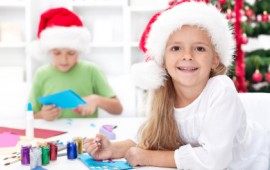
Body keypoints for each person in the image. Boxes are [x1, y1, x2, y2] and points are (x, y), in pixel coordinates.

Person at [83, 1, 269, 169]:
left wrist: (147, 157)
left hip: (255, 161)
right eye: (176, 48)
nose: (187, 55)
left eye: (199, 48)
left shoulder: (221, 88)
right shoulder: (164, 95)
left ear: (215, 59)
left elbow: (214, 161)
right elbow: (147, 139)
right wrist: (114, 149)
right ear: (163, 60)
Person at [28, 7, 123, 121]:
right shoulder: (41, 73)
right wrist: (43, 115)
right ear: (48, 50)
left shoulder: (91, 70)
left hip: (86, 135)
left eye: (71, 53)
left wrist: (96, 99)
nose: (64, 60)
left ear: (79, 50)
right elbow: (30, 115)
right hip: (53, 134)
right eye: (57, 53)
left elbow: (118, 109)